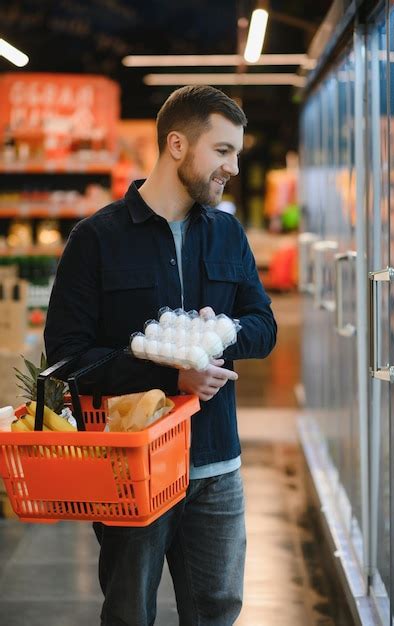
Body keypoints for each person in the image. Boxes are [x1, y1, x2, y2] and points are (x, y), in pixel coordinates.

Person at [44, 85, 277, 626]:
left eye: (237, 153)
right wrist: (170, 373)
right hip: (131, 472)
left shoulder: (227, 234)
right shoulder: (95, 240)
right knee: (128, 613)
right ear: (177, 144)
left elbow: (263, 327)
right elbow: (67, 363)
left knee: (217, 611)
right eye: (222, 151)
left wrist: (217, 336)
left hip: (217, 465)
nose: (234, 168)